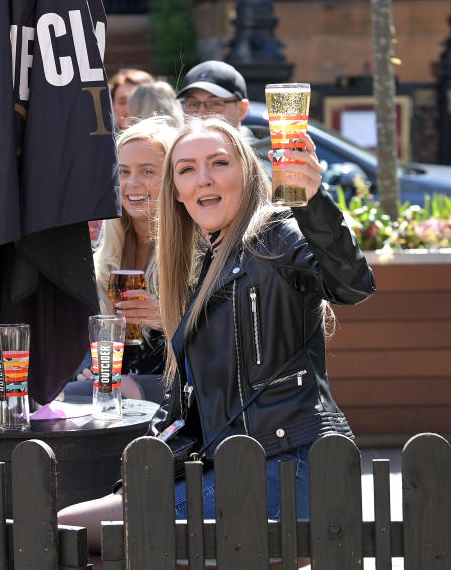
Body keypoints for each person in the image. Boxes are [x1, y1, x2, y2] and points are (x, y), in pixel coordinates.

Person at [59, 117, 375, 559]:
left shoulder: (273, 236)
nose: (203, 179)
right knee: (65, 526)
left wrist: (311, 199)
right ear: (175, 191)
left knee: (64, 531)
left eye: (218, 163)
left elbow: (353, 284)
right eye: (186, 169)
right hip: (239, 469)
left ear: (247, 174)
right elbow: (200, 415)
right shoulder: (206, 261)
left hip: (288, 470)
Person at [66, 118, 176, 402]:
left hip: (178, 390)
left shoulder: (193, 250)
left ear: (173, 178)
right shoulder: (106, 257)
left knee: (68, 398)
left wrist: (168, 319)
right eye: (123, 172)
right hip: (116, 387)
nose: (132, 183)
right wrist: (91, 371)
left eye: (148, 171)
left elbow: (220, 343)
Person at [175, 59, 272, 173]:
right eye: (193, 104)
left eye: (214, 103)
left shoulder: (271, 156)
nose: (201, 114)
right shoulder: (171, 153)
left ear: (242, 109)